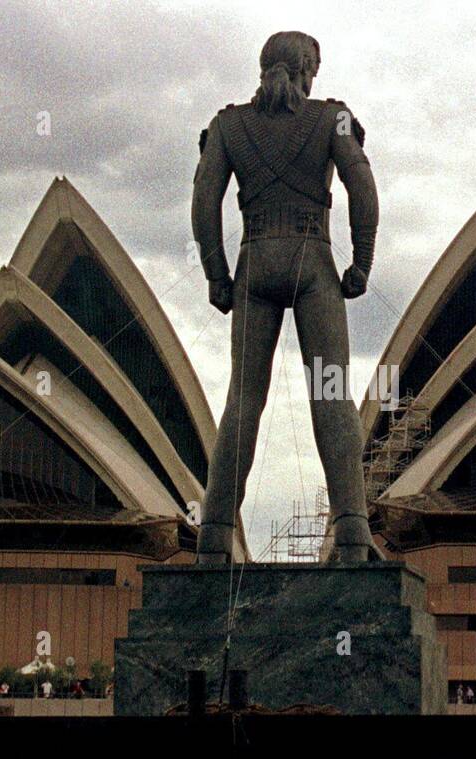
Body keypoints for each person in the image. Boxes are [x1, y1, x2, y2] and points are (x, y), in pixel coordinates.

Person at [191, 31, 380, 564]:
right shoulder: (333, 118)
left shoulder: (228, 125)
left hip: (254, 264)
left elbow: (204, 200)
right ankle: (350, 532)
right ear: (304, 69)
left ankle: (214, 534)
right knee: (332, 394)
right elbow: (362, 186)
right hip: (312, 260)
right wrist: (361, 261)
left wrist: (216, 274)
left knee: (243, 400)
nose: (315, 77)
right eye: (314, 67)